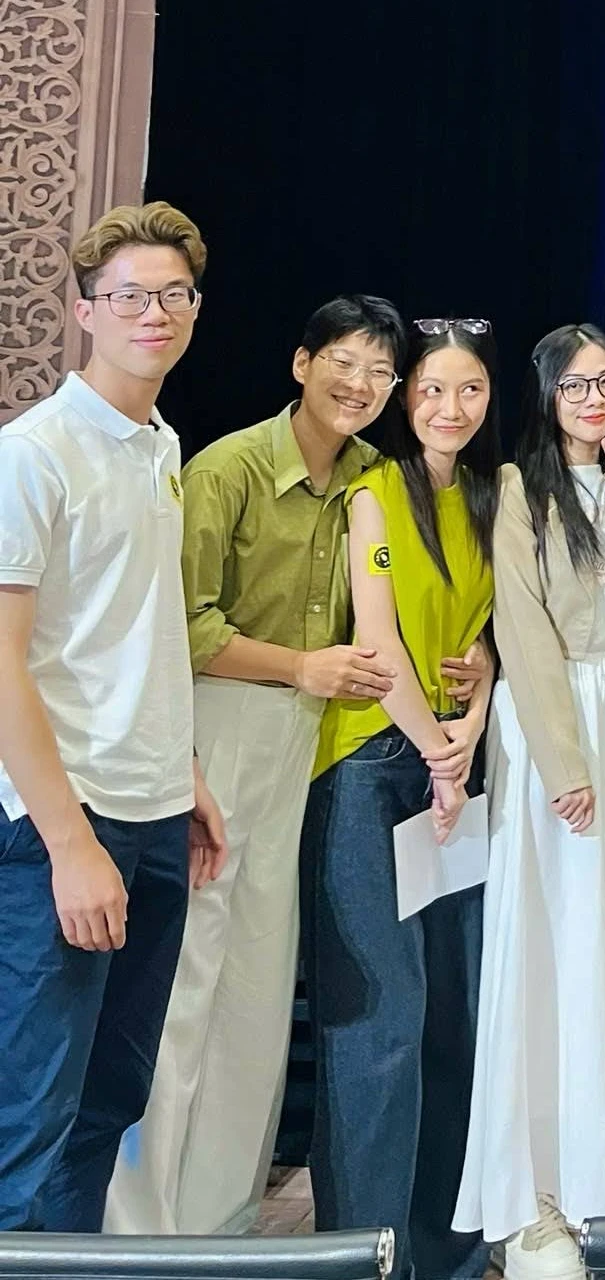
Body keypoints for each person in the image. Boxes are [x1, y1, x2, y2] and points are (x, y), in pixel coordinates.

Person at [105, 294, 407, 1236]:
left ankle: (224, 1219)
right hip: (213, 728)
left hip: (301, 738)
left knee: (259, 989)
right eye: (343, 363)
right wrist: (302, 666)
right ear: (301, 363)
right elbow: (182, 626)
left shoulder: (373, 478)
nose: (359, 386)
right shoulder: (228, 467)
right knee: (185, 977)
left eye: (379, 373)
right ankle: (142, 1226)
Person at [0, 200, 229, 1233]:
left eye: (174, 294)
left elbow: (134, 632)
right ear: (86, 310)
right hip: (60, 826)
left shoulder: (160, 444)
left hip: (149, 814)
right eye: (130, 295)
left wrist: (184, 774)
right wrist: (67, 841)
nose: (155, 313)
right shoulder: (34, 452)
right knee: (29, 1117)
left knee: (105, 1105)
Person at [454, 324, 605, 1277]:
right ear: (545, 393)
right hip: (554, 720)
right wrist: (562, 766)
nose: (594, 398)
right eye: (576, 385)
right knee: (547, 945)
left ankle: (603, 1176)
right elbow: (521, 629)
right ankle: (534, 1196)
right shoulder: (519, 490)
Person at [302, 317, 500, 1279]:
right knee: (379, 1021)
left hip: (453, 776)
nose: (448, 409)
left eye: (469, 391)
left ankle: (449, 1253)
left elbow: (496, 630)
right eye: (429, 391)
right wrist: (439, 752)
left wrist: (479, 708)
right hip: (377, 770)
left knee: (455, 1019)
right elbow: (376, 645)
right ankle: (365, 1253)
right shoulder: (373, 492)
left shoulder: (496, 497)